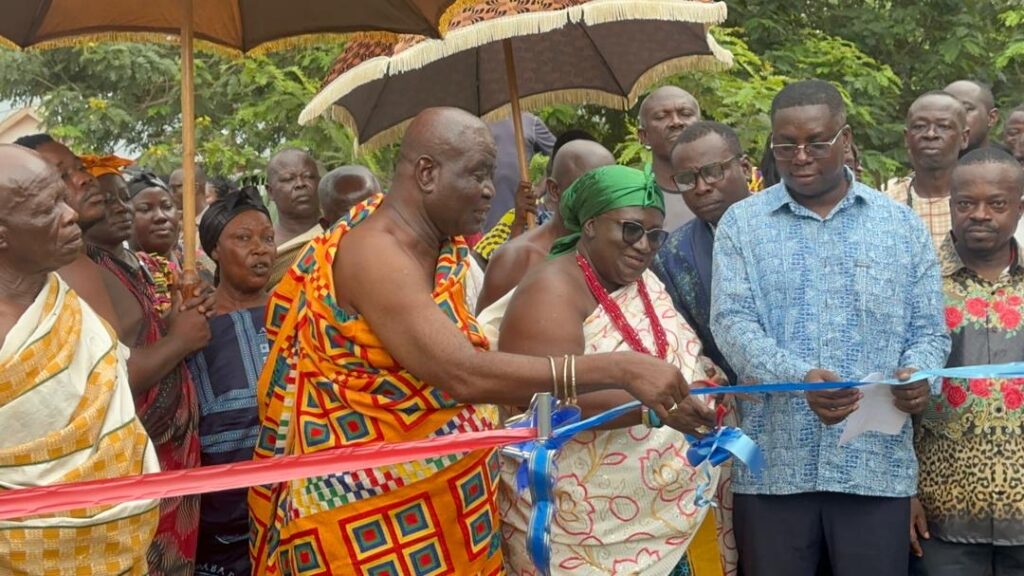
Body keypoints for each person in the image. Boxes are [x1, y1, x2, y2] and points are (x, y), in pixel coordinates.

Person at [249, 107, 694, 576]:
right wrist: (618, 368)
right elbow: (460, 372)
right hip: (367, 513)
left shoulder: (438, 248)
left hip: (451, 506)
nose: (489, 190)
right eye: (478, 175)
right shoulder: (376, 252)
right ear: (426, 173)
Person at [710, 80, 950, 576]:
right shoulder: (741, 223)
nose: (800, 156)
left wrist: (923, 376)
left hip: (875, 468)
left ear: (845, 139)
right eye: (785, 145)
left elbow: (929, 328)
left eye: (816, 142)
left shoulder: (900, 226)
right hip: (774, 470)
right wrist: (799, 379)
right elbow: (731, 323)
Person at [493, 164, 728, 575]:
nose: (644, 246)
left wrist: (704, 382)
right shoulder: (550, 290)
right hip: (584, 532)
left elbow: (671, 355)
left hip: (668, 514)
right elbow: (542, 405)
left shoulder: (641, 281)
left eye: (656, 235)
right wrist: (658, 410)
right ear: (590, 225)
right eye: (631, 229)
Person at [0, 144, 160, 574]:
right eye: (48, 207)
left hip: (119, 551)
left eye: (62, 197)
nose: (70, 213)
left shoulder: (67, 297)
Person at [86, 169, 214, 576]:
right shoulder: (85, 270)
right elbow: (111, 375)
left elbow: (155, 333)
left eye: (124, 197)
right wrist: (181, 340)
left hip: (176, 445)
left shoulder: (136, 264)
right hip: (143, 448)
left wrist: (182, 316)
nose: (120, 208)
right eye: (108, 201)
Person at [912, 148, 1024, 575]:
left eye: (996, 204)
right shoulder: (918, 282)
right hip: (942, 517)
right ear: (950, 206)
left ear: (1019, 208)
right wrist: (904, 494)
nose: (980, 214)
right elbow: (893, 397)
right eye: (966, 204)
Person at [190, 190, 275, 576]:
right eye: (243, 239)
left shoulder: (296, 313)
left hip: (289, 506)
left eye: (267, 238)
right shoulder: (194, 326)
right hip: (222, 520)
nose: (260, 250)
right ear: (214, 251)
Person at [652, 121, 752, 385]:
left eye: (713, 172)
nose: (701, 187)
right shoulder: (671, 256)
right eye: (686, 179)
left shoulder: (793, 227)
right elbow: (686, 343)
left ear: (744, 168)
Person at [476, 139, 615, 313]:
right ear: (555, 190)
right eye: (591, 190)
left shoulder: (616, 256)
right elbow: (483, 336)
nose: (603, 201)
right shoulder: (517, 259)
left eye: (609, 191)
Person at [13, 134, 121, 335]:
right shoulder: (66, 267)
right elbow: (113, 362)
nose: (85, 179)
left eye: (81, 168)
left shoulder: (99, 257)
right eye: (61, 175)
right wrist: (180, 340)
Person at [473, 129, 597, 264]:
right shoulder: (521, 217)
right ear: (554, 189)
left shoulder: (602, 227)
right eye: (584, 185)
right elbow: (487, 270)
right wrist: (518, 225)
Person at [883, 91, 970, 250]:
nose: (930, 134)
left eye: (943, 126)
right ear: (906, 137)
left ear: (964, 138)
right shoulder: (885, 204)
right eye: (920, 127)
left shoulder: (983, 201)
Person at [638, 86, 702, 231]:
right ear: (644, 136)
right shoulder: (635, 195)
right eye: (661, 116)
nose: (676, 122)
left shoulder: (721, 187)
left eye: (685, 114)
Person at [485, 112, 555, 230]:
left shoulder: (529, 122)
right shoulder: (476, 124)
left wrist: (541, 187)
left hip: (521, 221)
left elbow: (560, 153)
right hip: (485, 223)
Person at [265, 147, 323, 290]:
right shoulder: (262, 247)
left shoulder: (338, 233)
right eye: (288, 179)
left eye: (309, 176)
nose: (300, 184)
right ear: (270, 192)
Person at [129, 173, 183, 315]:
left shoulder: (200, 263)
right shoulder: (124, 276)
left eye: (167, 206)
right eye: (145, 209)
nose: (160, 216)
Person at [945, 80, 999, 154]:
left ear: (991, 118)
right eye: (945, 111)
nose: (953, 118)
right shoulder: (926, 162)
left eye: (966, 109)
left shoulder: (1009, 162)